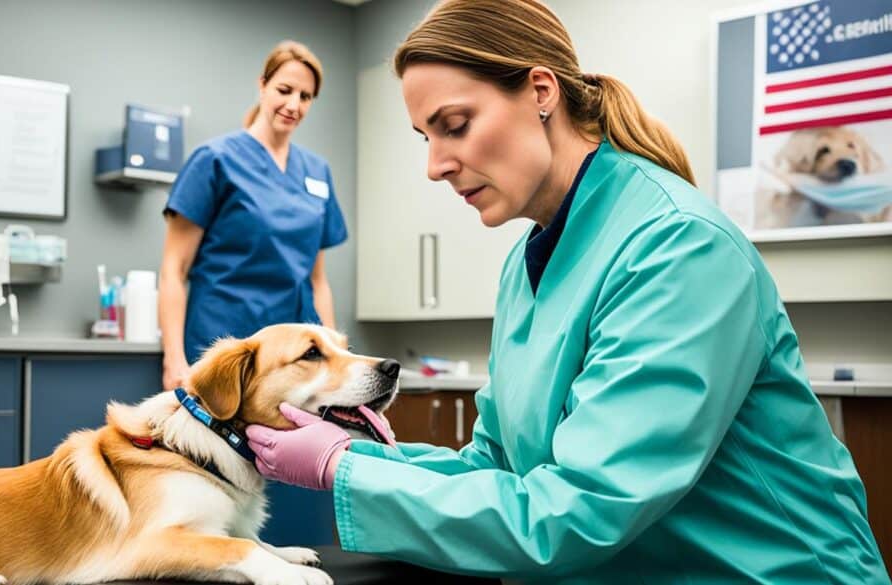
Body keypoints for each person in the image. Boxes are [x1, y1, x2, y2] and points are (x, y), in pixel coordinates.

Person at [245, 1, 891, 583]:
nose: (435, 165)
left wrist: (343, 470)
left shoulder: (678, 246)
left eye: (455, 125)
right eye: (426, 137)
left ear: (541, 91)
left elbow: (581, 509)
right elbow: (499, 468)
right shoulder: (528, 263)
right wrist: (358, 455)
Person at [159, 40, 347, 392]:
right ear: (262, 85)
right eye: (284, 90)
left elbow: (318, 280)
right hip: (221, 345)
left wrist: (335, 358)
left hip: (294, 360)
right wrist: (174, 360)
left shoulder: (317, 172)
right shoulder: (214, 160)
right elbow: (174, 269)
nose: (293, 105)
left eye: (305, 97)